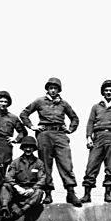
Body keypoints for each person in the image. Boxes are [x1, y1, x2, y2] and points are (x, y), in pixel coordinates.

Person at [20, 77, 82, 206]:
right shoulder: (39, 101)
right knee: (46, 165)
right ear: (47, 89)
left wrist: (70, 129)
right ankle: (48, 193)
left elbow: (75, 118)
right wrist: (32, 127)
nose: (53, 90)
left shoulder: (64, 103)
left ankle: (70, 192)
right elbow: (24, 114)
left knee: (66, 163)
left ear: (59, 90)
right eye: (51, 88)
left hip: (60, 134)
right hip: (44, 135)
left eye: (55, 88)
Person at [82, 79, 111, 203]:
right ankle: (87, 194)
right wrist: (89, 137)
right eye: (106, 90)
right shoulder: (96, 107)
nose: (108, 92)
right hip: (98, 137)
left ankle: (108, 194)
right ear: (103, 92)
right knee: (91, 166)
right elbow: (90, 122)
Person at [0, 135, 48, 221]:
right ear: (23, 148)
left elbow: (42, 179)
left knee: (39, 192)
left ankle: (21, 211)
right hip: (18, 191)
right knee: (5, 186)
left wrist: (32, 189)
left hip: (31, 193)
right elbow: (8, 176)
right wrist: (17, 187)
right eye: (26, 147)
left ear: (34, 149)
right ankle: (4, 208)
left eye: (30, 147)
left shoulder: (39, 163)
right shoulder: (16, 162)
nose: (28, 149)